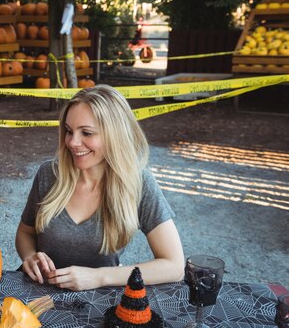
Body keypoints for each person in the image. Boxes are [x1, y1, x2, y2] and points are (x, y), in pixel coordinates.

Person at [15, 84, 184, 291]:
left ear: (115, 135)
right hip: (38, 290)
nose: (72, 142)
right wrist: (29, 256)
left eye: (86, 133)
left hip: (98, 301)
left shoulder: (138, 183)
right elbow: (25, 232)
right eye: (69, 131)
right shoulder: (49, 174)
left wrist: (100, 277)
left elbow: (174, 266)